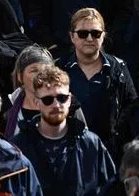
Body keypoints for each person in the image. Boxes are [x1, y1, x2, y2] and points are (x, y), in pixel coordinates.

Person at [10, 66, 117, 196]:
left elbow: (111, 188)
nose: (56, 105)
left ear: (70, 99)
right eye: (48, 100)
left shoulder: (91, 144)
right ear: (36, 103)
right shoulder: (19, 147)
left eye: (62, 98)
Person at [56, 8, 136, 145]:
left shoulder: (118, 69)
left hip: (110, 151)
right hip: (68, 149)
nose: (89, 38)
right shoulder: (59, 68)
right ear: (72, 36)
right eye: (82, 34)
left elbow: (132, 109)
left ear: (103, 36)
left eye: (96, 33)